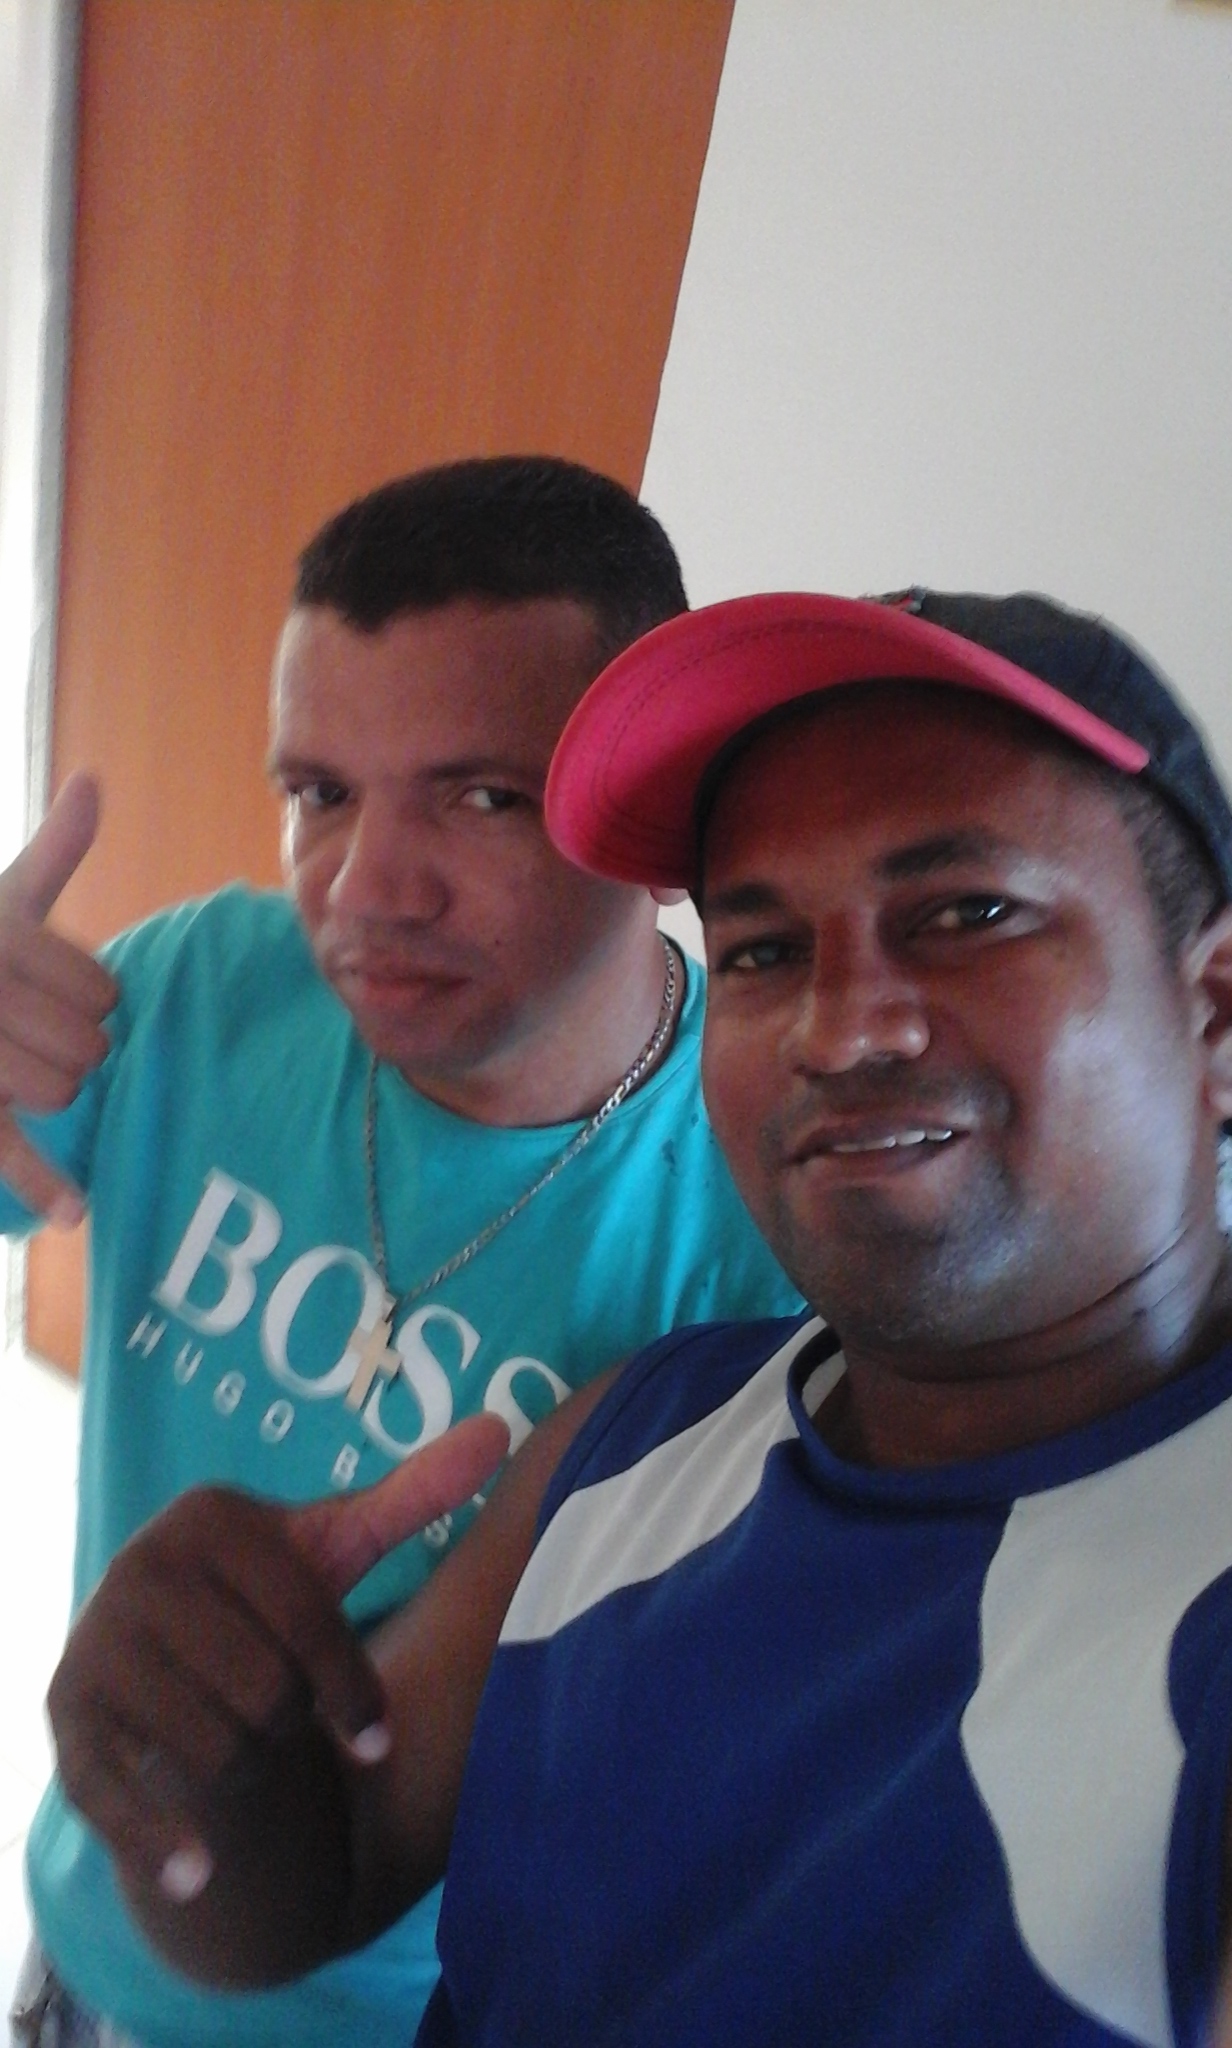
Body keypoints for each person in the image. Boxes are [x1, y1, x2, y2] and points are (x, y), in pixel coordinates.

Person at [45, 582, 1232, 2046]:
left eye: (966, 914)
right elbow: (321, 1864)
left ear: (1216, 1011)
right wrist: (194, 1743)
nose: (839, 1024)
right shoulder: (651, 1425)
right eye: (765, 948)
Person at [1, 459, 803, 2048]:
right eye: (321, 794)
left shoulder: (769, 1205)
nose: (364, 888)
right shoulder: (201, 991)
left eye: (479, 796)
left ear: (652, 812)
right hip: (95, 1930)